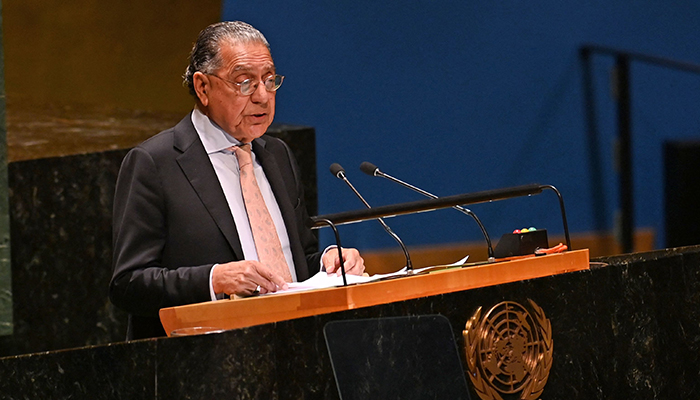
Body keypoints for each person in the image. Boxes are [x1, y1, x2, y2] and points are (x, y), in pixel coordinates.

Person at [109, 21, 365, 340]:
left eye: (270, 81)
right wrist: (214, 280)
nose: (262, 96)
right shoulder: (155, 163)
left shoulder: (278, 155)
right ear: (203, 88)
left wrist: (329, 264)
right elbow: (129, 284)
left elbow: (294, 264)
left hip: (293, 345)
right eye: (244, 83)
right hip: (205, 360)